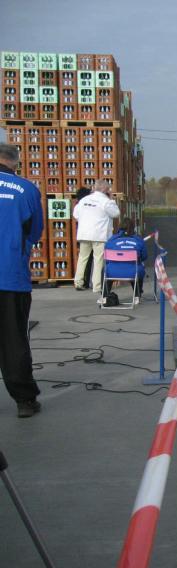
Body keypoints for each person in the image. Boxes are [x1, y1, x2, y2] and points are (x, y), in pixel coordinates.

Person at [0, 143, 44, 418]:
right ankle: (25, 400)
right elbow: (35, 230)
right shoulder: (25, 189)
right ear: (15, 163)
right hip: (10, 276)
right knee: (13, 339)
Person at [73, 180, 120, 294]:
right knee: (98, 260)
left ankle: (78, 282)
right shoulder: (106, 202)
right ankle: (96, 285)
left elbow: (75, 214)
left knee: (82, 258)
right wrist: (112, 199)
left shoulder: (84, 200)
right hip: (99, 235)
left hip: (84, 233)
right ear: (105, 190)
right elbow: (116, 213)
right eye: (108, 189)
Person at [101, 218, 147, 305]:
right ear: (133, 227)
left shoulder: (111, 240)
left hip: (113, 272)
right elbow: (144, 257)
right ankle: (137, 295)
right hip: (133, 271)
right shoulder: (138, 240)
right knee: (138, 267)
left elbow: (106, 257)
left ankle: (104, 295)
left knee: (105, 269)